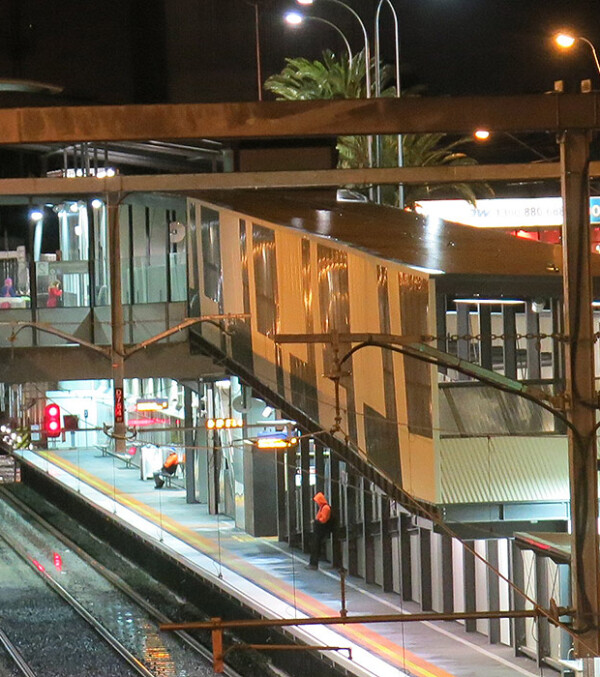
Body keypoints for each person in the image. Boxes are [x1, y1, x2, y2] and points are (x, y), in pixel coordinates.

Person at [306, 492, 333, 570]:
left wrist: (315, 521)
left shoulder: (325, 508)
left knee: (316, 547)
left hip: (321, 530)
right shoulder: (322, 508)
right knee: (314, 547)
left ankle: (314, 564)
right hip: (318, 530)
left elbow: (323, 520)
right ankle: (312, 563)